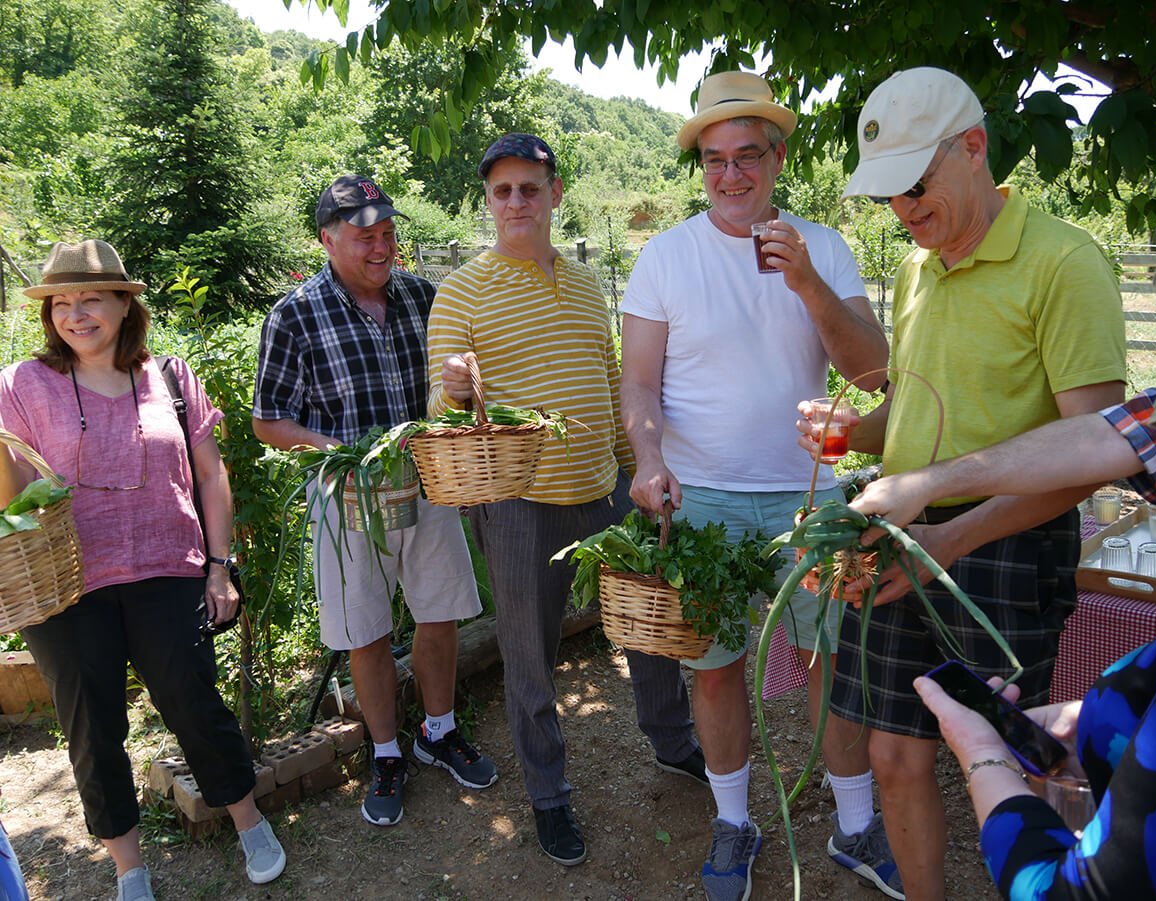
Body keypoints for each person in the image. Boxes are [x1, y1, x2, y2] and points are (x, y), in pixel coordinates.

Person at [795, 66, 1127, 899]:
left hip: (1005, 536)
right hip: (903, 529)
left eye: (915, 185)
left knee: (1012, 753)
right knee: (892, 749)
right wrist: (850, 433)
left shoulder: (1064, 261)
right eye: (888, 198)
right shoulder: (915, 268)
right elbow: (911, 405)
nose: (904, 212)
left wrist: (953, 535)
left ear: (973, 147)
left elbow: (1095, 450)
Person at [854, 235, 1156, 898]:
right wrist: (1096, 720)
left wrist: (984, 758)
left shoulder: (1063, 261)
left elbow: (1074, 887)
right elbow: (1112, 435)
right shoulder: (915, 270)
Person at [620, 71, 892, 900]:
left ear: (778, 158)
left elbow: (873, 372)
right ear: (700, 168)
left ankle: (854, 826)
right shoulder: (666, 256)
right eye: (714, 161)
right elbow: (638, 382)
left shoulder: (823, 246)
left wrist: (807, 281)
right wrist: (647, 459)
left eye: (747, 157)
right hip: (700, 496)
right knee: (714, 668)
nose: (731, 175)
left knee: (826, 663)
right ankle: (735, 822)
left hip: (811, 494)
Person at [427, 133, 702, 867]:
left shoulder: (585, 283)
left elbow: (615, 381)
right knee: (528, 656)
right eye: (502, 191)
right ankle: (549, 795)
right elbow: (440, 406)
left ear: (554, 194)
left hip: (604, 490)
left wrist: (634, 471)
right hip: (519, 502)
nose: (516, 201)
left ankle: (674, 743)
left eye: (529, 187)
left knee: (646, 624)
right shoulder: (461, 290)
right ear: (488, 202)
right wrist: (453, 388)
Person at [0, 240, 286, 901]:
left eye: (91, 298)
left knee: (192, 700)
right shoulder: (21, 384)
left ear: (125, 303)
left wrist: (220, 568)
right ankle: (130, 866)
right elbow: (14, 497)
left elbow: (211, 474)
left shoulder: (172, 377)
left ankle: (247, 818)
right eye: (61, 303)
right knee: (92, 728)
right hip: (68, 582)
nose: (76, 314)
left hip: (169, 566)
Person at [252, 176, 496, 829]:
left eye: (388, 232)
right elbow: (270, 420)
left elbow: (462, 398)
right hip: (349, 496)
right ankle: (386, 751)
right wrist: (338, 451)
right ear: (327, 239)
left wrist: (467, 387)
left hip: (429, 481)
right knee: (367, 627)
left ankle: (437, 731)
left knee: (440, 612)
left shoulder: (425, 296)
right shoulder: (295, 314)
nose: (383, 245)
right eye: (366, 235)